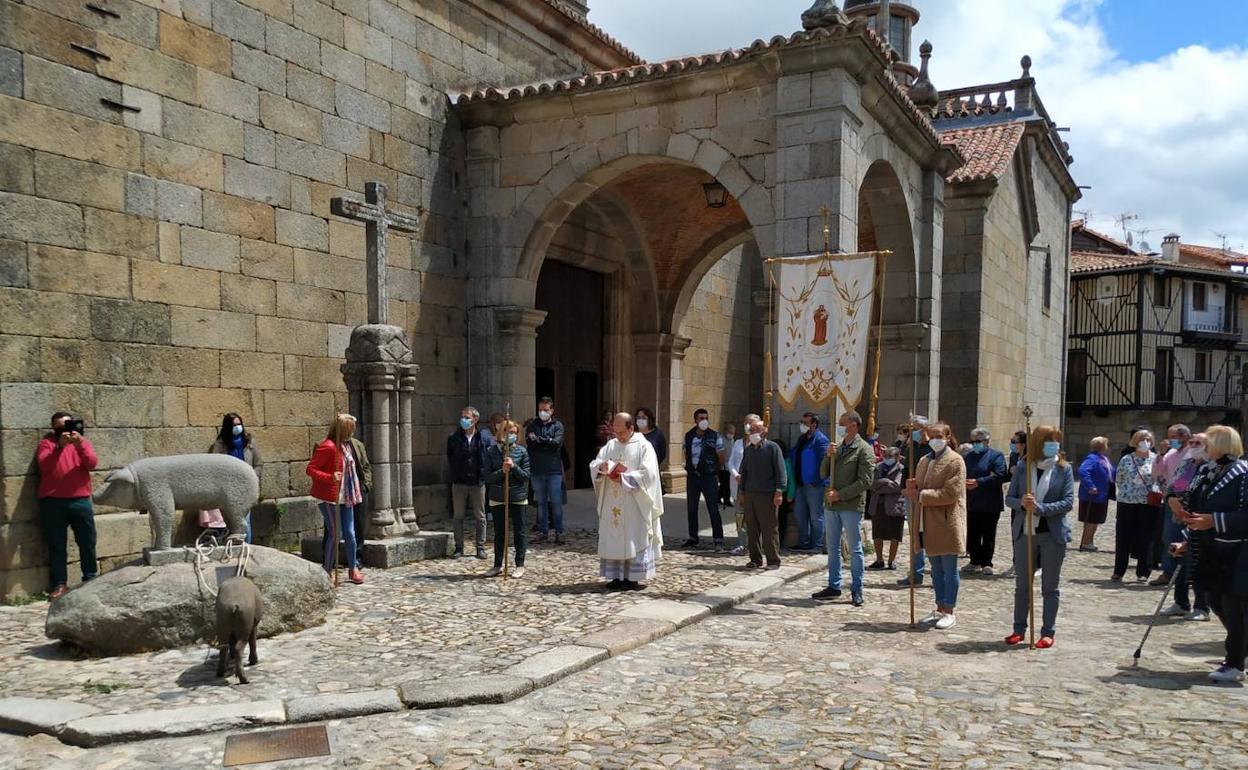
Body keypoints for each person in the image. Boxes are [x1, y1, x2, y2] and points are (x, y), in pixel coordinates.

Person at [1170, 425, 1248, 683]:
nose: (1204, 446)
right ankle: (1240, 649)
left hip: (1237, 550)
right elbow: (1196, 506)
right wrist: (1187, 532)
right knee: (1214, 599)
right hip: (1211, 549)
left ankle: (1235, 661)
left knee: (1233, 604)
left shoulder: (1242, 473)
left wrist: (1214, 521)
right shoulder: (1208, 471)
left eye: (1209, 442)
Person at [1004, 425, 1074, 648]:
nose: (1053, 445)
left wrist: (1040, 508)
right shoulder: (1024, 467)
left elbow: (1068, 502)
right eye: (1048, 440)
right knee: (1022, 585)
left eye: (1056, 440)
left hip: (1051, 535)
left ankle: (1047, 631)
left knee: (1049, 587)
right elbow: (1010, 498)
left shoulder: (1064, 469)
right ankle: (1018, 629)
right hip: (1025, 533)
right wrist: (1022, 504)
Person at [590, 413, 664, 590]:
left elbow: (649, 474)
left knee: (633, 536)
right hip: (613, 501)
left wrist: (623, 478)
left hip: (634, 502)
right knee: (614, 536)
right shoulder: (611, 445)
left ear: (631, 428)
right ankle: (616, 576)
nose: (618, 436)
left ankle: (632, 577)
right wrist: (601, 468)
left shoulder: (643, 446)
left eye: (621, 432)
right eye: (615, 432)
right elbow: (595, 463)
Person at [904, 422, 966, 630]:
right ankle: (939, 606)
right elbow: (921, 486)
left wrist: (921, 495)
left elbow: (951, 493)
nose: (934, 440)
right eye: (931, 436)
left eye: (939, 436)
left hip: (946, 521)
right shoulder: (924, 460)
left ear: (948, 437)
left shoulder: (955, 461)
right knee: (936, 570)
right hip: (926, 520)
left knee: (949, 568)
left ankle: (950, 609)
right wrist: (914, 487)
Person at [811, 410, 875, 606]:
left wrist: (840, 494)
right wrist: (827, 456)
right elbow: (823, 473)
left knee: (855, 549)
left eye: (842, 423)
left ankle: (857, 588)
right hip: (831, 505)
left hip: (850, 505)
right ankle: (834, 585)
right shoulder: (837, 448)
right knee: (833, 547)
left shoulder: (864, 449)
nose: (839, 426)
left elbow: (865, 481)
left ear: (853, 425)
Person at [37, 412, 99, 600]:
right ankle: (59, 584)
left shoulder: (83, 443)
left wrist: (80, 446)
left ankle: (90, 579)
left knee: (87, 542)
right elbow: (44, 466)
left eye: (67, 426)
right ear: (54, 429)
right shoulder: (47, 444)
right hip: (53, 502)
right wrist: (59, 448)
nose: (64, 431)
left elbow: (92, 463)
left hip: (80, 500)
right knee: (57, 545)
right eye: (60, 428)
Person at [307, 414, 366, 584]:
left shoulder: (346, 446)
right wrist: (330, 477)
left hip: (346, 495)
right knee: (335, 533)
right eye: (350, 429)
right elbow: (311, 469)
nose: (353, 432)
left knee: (350, 533)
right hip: (329, 497)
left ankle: (353, 568)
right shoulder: (328, 447)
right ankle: (327, 568)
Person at [1160, 432, 1211, 621]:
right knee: (1180, 560)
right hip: (1181, 519)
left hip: (1201, 521)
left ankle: (1202, 607)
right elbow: (1175, 486)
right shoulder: (1188, 464)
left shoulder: (1210, 467)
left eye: (1199, 442)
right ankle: (1181, 602)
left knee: (1199, 563)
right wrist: (1172, 500)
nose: (1194, 445)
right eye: (1192, 442)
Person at [738, 415, 787, 570]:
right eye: (750, 430)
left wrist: (779, 491)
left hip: (767, 494)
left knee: (769, 528)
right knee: (751, 528)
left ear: (763, 432)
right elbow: (743, 472)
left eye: (754, 430)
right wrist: (742, 492)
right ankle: (755, 559)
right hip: (751, 494)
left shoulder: (773, 448)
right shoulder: (748, 450)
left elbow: (781, 472)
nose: (751, 433)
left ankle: (773, 560)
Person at [484, 420, 530, 578]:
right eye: (507, 432)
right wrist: (502, 471)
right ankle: (497, 565)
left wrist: (514, 467)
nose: (511, 435)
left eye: (514, 433)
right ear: (501, 433)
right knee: (499, 533)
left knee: (520, 532)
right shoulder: (491, 451)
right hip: (498, 497)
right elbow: (487, 477)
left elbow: (525, 476)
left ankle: (520, 564)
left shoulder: (522, 452)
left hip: (517, 496)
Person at [208, 413, 263, 543]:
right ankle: (234, 548)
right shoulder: (220, 445)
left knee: (245, 521)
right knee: (231, 523)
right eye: (234, 425)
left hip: (246, 488)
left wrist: (251, 478)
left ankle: (246, 547)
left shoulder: (249, 442)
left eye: (239, 424)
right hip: (228, 489)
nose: (237, 427)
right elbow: (215, 467)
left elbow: (259, 464)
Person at [962, 427, 1009, 576]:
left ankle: (987, 562)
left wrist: (979, 482)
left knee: (988, 534)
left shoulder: (996, 456)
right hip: (972, 502)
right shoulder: (968, 457)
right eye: (973, 441)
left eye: (978, 441)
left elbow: (1000, 475)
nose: (975, 444)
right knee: (973, 533)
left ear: (987, 441)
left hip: (990, 503)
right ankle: (974, 561)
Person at [1149, 424, 1193, 584]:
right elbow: (1157, 472)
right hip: (1171, 501)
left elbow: (1189, 476)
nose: (1170, 440)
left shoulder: (1193, 453)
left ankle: (1187, 575)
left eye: (1173, 437)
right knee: (1169, 536)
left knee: (1188, 538)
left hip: (1188, 501)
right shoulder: (1171, 454)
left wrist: (1179, 494)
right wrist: (1160, 454)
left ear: (1185, 437)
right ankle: (1168, 572)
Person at [1113, 429, 1158, 583]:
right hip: (1127, 502)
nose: (1144, 442)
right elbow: (1119, 478)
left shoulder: (1156, 459)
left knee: (1146, 536)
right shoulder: (1126, 459)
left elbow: (1161, 479)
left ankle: (1143, 571)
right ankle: (1119, 570)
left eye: (1147, 439)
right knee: (1123, 536)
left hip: (1148, 503)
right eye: (1141, 439)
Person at [447, 407, 489, 559]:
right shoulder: (454, 437)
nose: (464, 420)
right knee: (458, 516)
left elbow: (487, 458)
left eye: (467, 417)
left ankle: (480, 546)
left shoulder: (483, 438)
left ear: (475, 420)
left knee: (480, 516)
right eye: (462, 417)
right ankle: (459, 547)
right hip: (459, 482)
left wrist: (483, 475)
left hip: (477, 483)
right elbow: (450, 457)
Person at [682, 408, 724, 550]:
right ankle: (693, 537)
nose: (704, 421)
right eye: (701, 418)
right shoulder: (689, 436)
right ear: (695, 420)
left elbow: (721, 455)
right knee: (691, 508)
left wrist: (715, 469)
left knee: (713, 508)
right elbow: (686, 453)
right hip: (693, 476)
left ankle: (718, 539)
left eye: (706, 418)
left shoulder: (714, 436)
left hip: (709, 476)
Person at [897, 422, 933, 587]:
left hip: (928, 496)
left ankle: (937, 571)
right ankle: (916, 573)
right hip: (911, 496)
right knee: (915, 537)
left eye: (916, 429)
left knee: (932, 534)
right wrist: (904, 487)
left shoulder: (933, 448)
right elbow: (905, 469)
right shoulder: (911, 447)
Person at [526, 397, 566, 545]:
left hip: (553, 470)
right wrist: (546, 441)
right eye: (540, 410)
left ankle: (559, 531)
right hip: (537, 469)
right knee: (541, 503)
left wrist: (541, 440)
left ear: (552, 411)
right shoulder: (532, 425)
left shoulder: (558, 426)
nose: (542, 412)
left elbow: (556, 444)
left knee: (556, 502)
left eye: (546, 410)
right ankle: (542, 532)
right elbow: (530, 442)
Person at [791, 412, 830, 552]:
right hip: (800, 484)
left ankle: (817, 545)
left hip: (814, 485)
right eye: (802, 422)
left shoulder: (820, 440)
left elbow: (824, 462)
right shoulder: (802, 439)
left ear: (814, 424)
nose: (802, 425)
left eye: (805, 423)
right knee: (799, 514)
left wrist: (818, 481)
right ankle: (803, 542)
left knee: (816, 516)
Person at [868, 446, 905, 570]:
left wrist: (880, 486)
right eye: (886, 456)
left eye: (890, 456)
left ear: (897, 457)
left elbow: (896, 486)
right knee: (877, 533)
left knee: (895, 535)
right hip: (878, 504)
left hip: (895, 505)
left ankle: (891, 561)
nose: (887, 458)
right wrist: (885, 481)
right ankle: (879, 560)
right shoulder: (878, 467)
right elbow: (871, 484)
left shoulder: (901, 469)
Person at [1077, 437, 1114, 552]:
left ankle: (1089, 541)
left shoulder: (1103, 459)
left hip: (1102, 495)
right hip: (1092, 495)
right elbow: (1083, 471)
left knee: (1096, 520)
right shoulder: (1092, 458)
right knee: (1091, 520)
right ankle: (1085, 543)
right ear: (1102, 446)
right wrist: (1090, 486)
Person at [727, 416, 750, 556]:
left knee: (752, 517)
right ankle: (742, 543)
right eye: (745, 423)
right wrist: (735, 474)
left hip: (751, 487)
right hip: (737, 485)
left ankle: (753, 544)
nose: (747, 426)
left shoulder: (758, 443)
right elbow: (731, 462)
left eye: (750, 424)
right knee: (740, 516)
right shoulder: (737, 443)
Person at [718, 423, 737, 508]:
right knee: (725, 484)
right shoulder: (720, 439)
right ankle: (726, 500)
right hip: (723, 465)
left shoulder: (732, 440)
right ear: (725, 431)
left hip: (730, 465)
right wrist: (721, 464)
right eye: (730, 432)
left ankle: (718, 497)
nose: (732, 434)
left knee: (726, 484)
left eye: (733, 432)